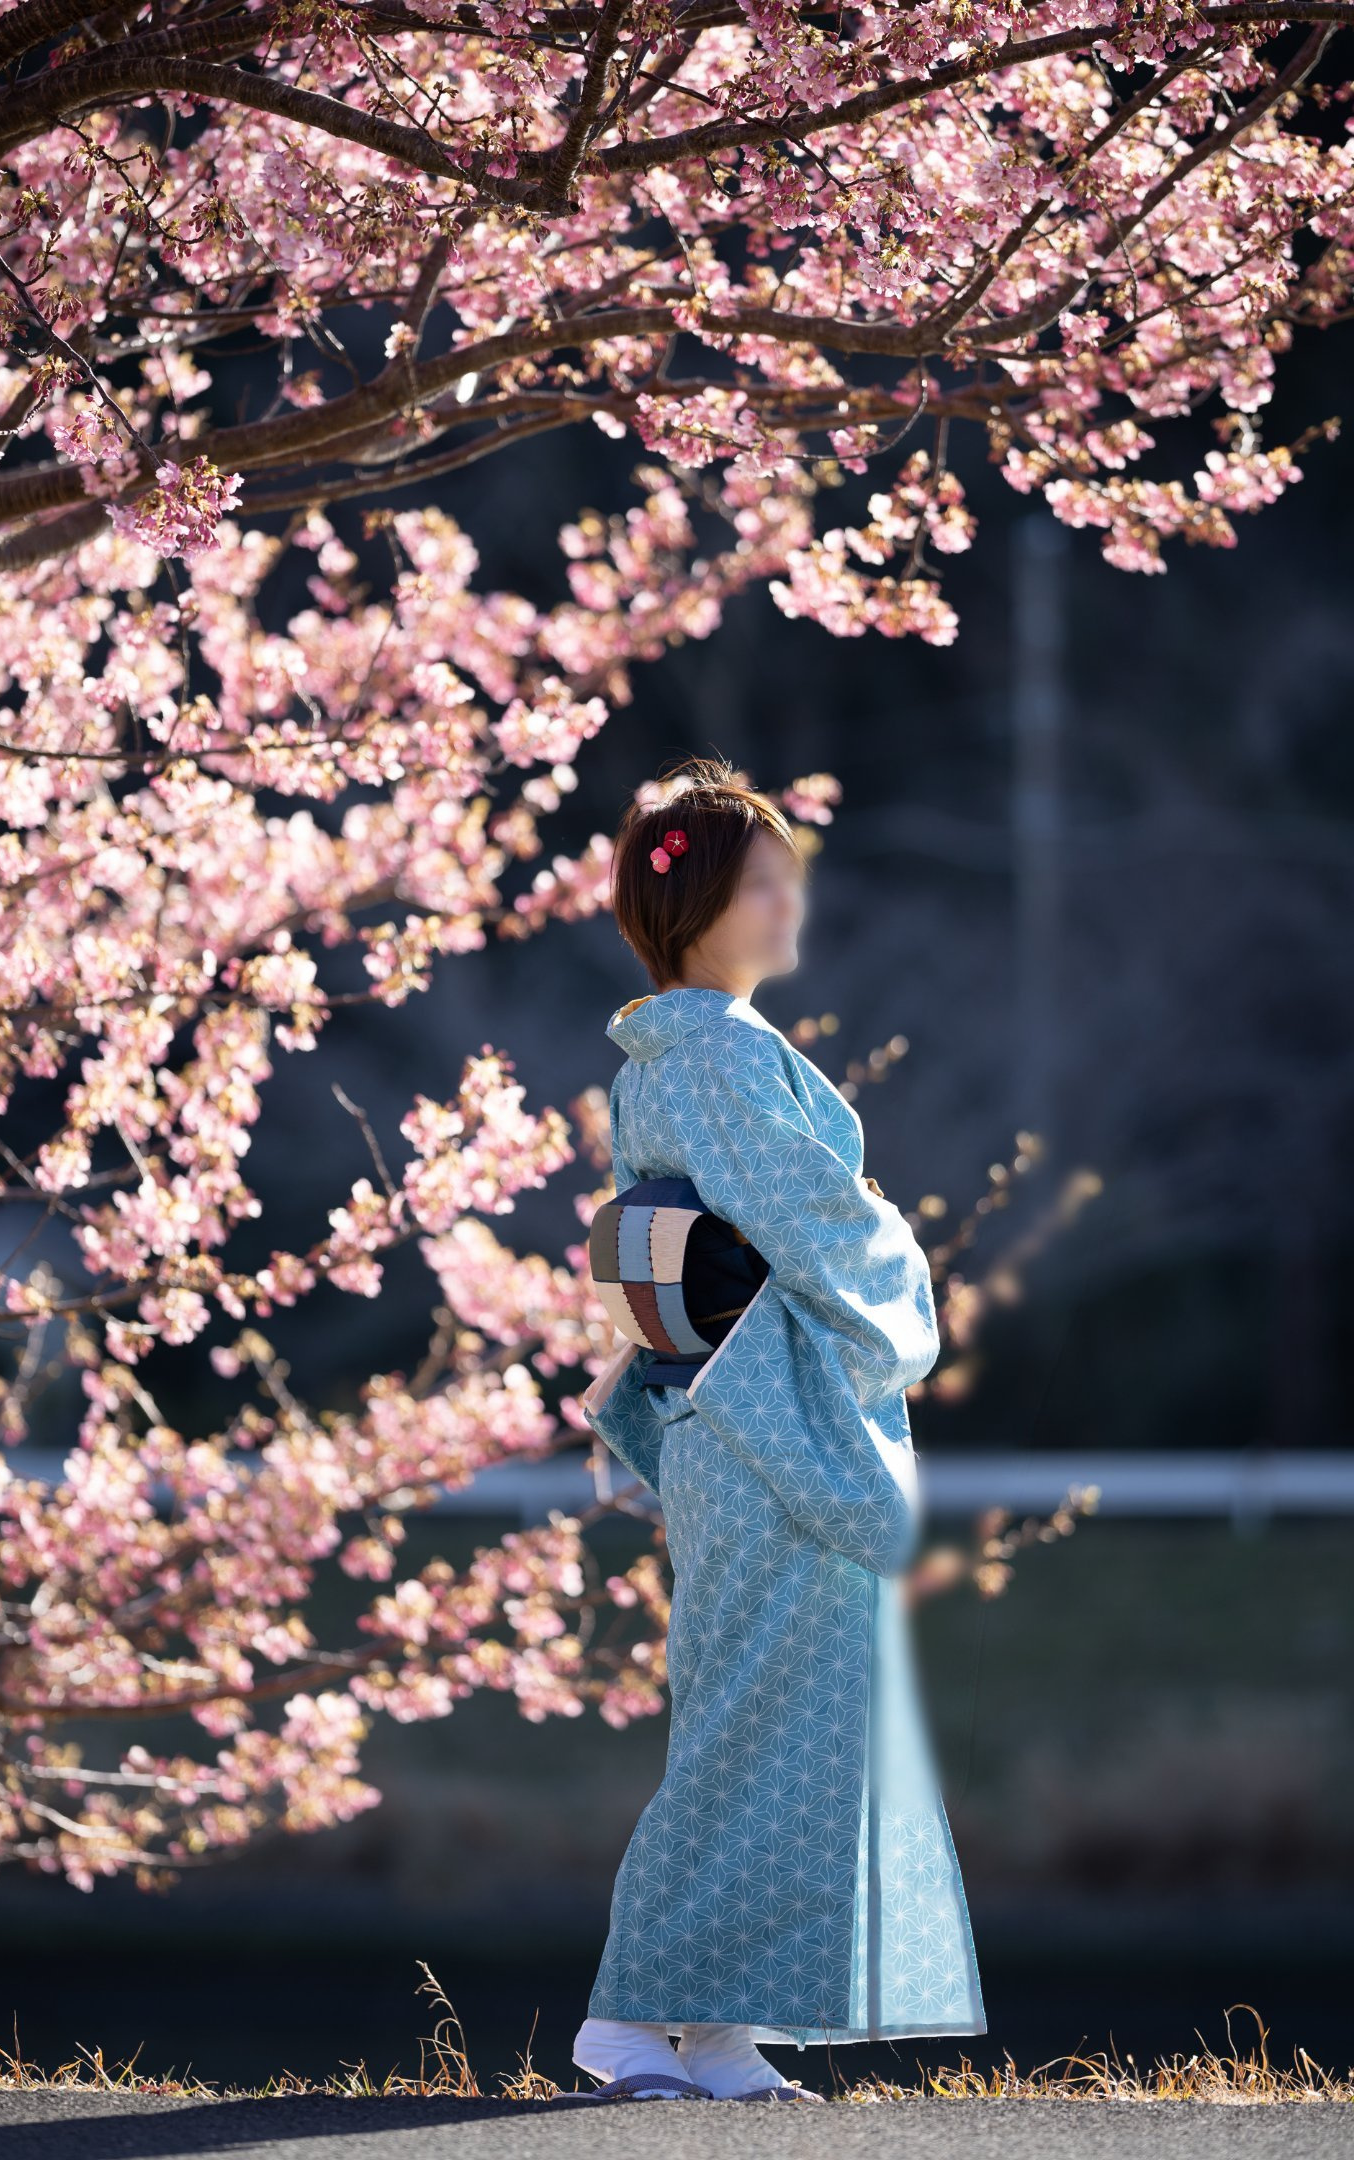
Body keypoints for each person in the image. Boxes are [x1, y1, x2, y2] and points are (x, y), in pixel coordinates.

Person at [572, 757, 985, 2103]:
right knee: (757, 1713)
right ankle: (634, 2014)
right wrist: (894, 1262)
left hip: (745, 1411)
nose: (787, 902)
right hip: (764, 1416)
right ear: (695, 906)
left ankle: (726, 2019)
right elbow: (820, 1232)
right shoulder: (716, 1056)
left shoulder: (691, 1053)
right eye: (765, 882)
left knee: (781, 1713)